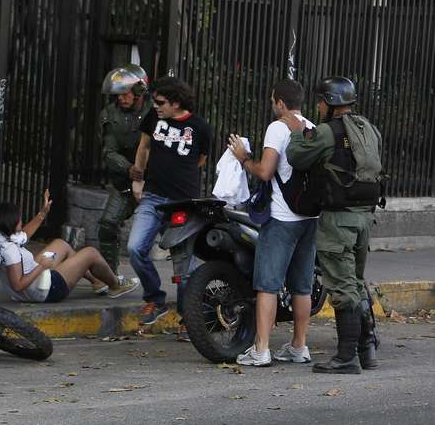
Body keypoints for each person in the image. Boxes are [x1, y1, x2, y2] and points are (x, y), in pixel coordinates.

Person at [284, 76, 384, 375]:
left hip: (338, 219)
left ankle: (345, 358)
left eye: (320, 101)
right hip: (364, 217)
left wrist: (298, 133)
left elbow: (296, 157)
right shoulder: (369, 128)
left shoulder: (327, 131)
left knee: (342, 288)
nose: (317, 106)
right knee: (355, 282)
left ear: (329, 103)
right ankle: (367, 351)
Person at [227, 80, 318, 367]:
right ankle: (298, 346)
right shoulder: (311, 127)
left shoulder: (278, 127)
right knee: (302, 286)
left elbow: (265, 171)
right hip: (310, 217)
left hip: (282, 218)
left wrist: (244, 158)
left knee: (267, 285)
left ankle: (261, 349)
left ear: (280, 102)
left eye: (272, 100)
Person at [128, 77, 213, 325]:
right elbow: (144, 147)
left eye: (161, 102)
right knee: (135, 248)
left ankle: (189, 318)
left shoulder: (201, 127)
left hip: (183, 202)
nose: (155, 106)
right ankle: (155, 299)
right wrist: (138, 178)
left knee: (183, 265)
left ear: (176, 103)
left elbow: (201, 160)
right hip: (153, 195)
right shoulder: (154, 119)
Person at [0, 191, 140, 303]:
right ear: (10, 222)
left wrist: (42, 214)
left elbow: (25, 234)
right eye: (18, 218)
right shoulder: (10, 251)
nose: (21, 220)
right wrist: (42, 266)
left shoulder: (2, 237)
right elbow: (18, 285)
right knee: (90, 253)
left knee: (61, 244)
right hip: (46, 291)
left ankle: (97, 281)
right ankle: (115, 285)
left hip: (35, 284)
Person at [96, 64, 152, 278]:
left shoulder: (155, 111)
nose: (120, 98)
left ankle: (187, 277)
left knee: (172, 230)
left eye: (125, 93)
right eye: (117, 94)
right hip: (125, 182)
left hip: (155, 183)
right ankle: (109, 276)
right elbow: (109, 152)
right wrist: (129, 169)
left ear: (139, 90)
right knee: (108, 225)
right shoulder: (110, 114)